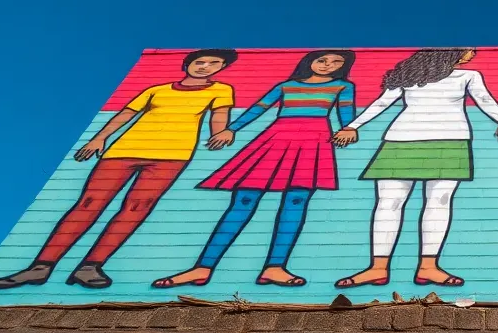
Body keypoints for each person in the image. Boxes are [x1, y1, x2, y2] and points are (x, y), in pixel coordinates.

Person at [0, 49, 238, 290]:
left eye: (213, 63)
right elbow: (124, 115)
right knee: (88, 203)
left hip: (172, 156)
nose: (205, 66)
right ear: (187, 64)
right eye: (201, 62)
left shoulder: (221, 90)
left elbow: (219, 115)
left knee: (136, 207)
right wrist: (99, 138)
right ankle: (41, 266)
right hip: (123, 151)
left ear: (222, 68)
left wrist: (221, 132)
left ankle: (91, 266)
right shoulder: (156, 90)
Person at [153, 50, 357, 289]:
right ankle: (202, 267)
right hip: (274, 139)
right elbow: (258, 109)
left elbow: (346, 114)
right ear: (309, 61)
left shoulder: (343, 86)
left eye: (336, 62)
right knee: (244, 199)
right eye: (322, 60)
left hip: (313, 142)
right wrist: (232, 129)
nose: (327, 65)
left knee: (296, 201)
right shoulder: (286, 86)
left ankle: (275, 267)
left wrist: (350, 128)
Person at [332, 48, 498, 288]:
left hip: (450, 142)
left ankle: (428, 267)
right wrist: (353, 126)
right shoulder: (409, 75)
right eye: (469, 50)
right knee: (388, 203)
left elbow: (484, 100)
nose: (472, 55)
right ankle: (377, 268)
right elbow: (383, 102)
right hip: (400, 141)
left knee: (439, 202)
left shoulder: (468, 76)